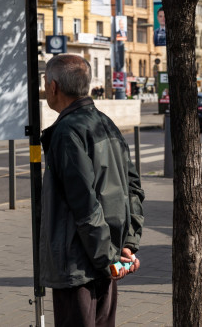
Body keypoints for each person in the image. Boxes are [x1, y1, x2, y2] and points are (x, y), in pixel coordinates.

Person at [39, 54, 145, 327]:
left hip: (80, 265)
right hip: (106, 259)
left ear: (53, 87)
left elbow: (84, 204)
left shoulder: (66, 132)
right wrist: (127, 246)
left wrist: (109, 257)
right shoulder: (105, 122)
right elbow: (133, 187)